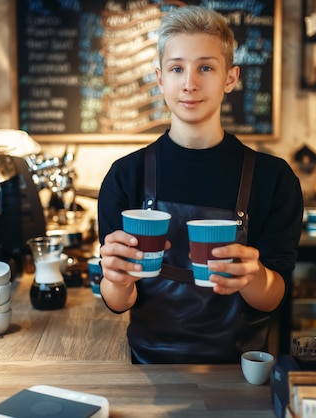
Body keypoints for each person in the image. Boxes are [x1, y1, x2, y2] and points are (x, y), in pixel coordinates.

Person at [97, 5, 303, 364]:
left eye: (205, 67)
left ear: (230, 78)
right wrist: (115, 278)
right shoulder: (124, 176)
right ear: (160, 79)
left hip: (240, 372)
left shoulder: (274, 178)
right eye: (177, 68)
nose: (190, 83)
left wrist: (253, 276)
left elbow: (274, 297)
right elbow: (119, 303)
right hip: (149, 368)